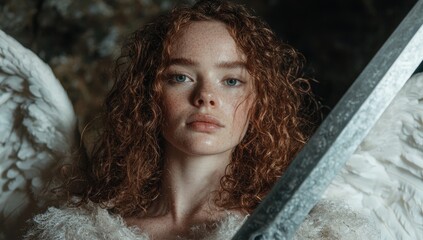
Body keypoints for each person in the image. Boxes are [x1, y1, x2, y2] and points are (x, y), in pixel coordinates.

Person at [25, 0, 376, 239]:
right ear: (148, 94)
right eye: (181, 77)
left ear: (259, 102)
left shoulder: (304, 231)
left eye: (232, 81)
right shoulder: (79, 231)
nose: (206, 96)